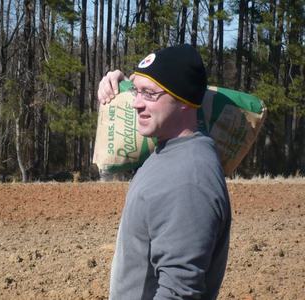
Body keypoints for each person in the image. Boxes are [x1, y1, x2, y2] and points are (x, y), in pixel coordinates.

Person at [97, 44, 231, 299]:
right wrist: (121, 84)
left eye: (148, 94)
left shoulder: (188, 180)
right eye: (136, 92)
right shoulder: (171, 148)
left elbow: (179, 291)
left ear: (183, 101)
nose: (136, 104)